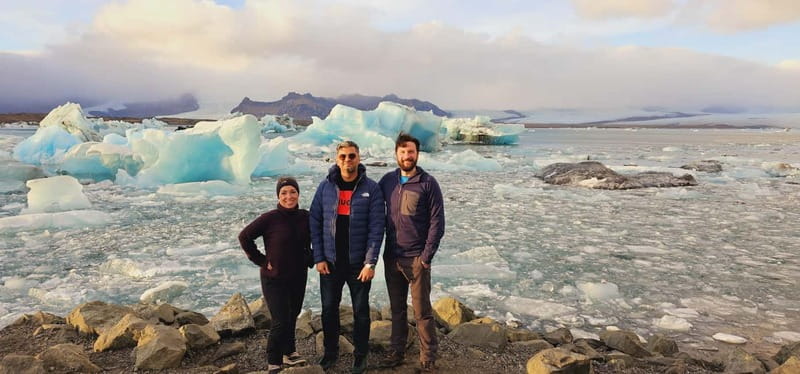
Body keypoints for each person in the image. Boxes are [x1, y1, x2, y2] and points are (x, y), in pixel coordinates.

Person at [310, 140, 385, 373]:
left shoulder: (371, 189)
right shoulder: (325, 187)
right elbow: (315, 221)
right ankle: (330, 353)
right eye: (343, 156)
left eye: (352, 156)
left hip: (358, 265)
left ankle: (360, 355)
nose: (347, 160)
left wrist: (370, 262)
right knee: (328, 309)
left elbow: (377, 228)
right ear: (337, 159)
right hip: (330, 263)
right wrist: (319, 257)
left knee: (361, 312)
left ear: (359, 158)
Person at [378, 134, 445, 373]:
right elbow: (371, 208)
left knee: (422, 311)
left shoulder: (428, 183)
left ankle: (428, 357)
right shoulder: (387, 181)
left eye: (411, 152)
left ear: (417, 154)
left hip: (416, 258)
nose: (407, 156)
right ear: (396, 154)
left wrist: (426, 257)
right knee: (397, 310)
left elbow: (437, 222)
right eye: (403, 152)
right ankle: (397, 351)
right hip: (392, 256)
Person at [238, 177, 312, 374]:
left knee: (293, 314)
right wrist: (261, 260)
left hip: (298, 276)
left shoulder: (306, 216)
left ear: (298, 194)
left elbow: (317, 239)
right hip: (274, 278)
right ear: (278, 196)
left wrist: (311, 258)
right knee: (280, 320)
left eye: (293, 192)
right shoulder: (270, 218)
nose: (289, 196)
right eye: (284, 193)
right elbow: (244, 237)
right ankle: (274, 361)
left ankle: (289, 351)